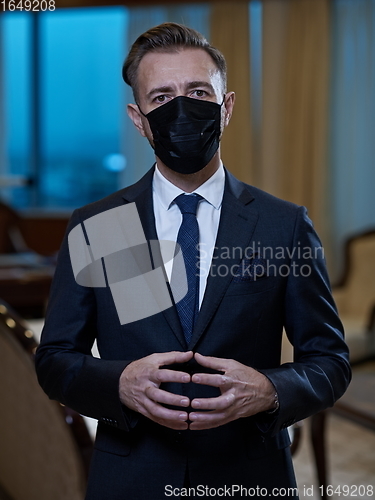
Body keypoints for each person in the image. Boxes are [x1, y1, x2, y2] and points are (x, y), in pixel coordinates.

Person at [35, 23, 351, 500]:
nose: (181, 109)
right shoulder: (100, 225)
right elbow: (55, 360)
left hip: (250, 476)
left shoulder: (281, 225)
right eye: (161, 98)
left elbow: (330, 361)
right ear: (138, 118)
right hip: (130, 479)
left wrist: (269, 389)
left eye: (198, 91)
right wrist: (118, 382)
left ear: (226, 108)